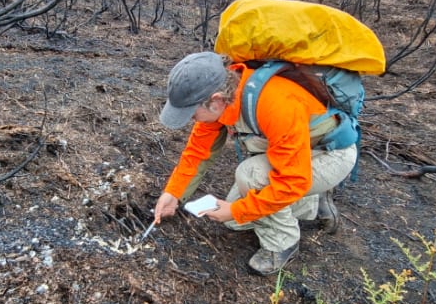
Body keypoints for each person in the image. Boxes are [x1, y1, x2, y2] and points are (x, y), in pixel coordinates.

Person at [151, 51, 356, 275]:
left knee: (250, 177)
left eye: (191, 114)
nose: (192, 120)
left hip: (329, 155)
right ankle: (313, 202)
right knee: (234, 221)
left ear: (216, 100)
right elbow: (198, 152)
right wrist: (173, 193)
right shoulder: (217, 104)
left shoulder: (276, 103)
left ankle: (282, 243)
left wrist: (238, 209)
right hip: (295, 159)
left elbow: (294, 180)